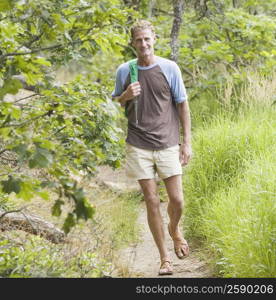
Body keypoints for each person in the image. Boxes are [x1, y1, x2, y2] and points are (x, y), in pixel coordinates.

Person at [112, 20, 192, 276]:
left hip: (168, 142)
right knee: (151, 200)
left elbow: (182, 106)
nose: (143, 44)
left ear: (154, 39)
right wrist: (124, 96)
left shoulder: (170, 68)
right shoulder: (125, 71)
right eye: (138, 40)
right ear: (132, 43)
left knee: (177, 200)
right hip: (138, 145)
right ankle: (164, 258)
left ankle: (174, 229)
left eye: (147, 39)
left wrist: (186, 142)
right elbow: (113, 105)